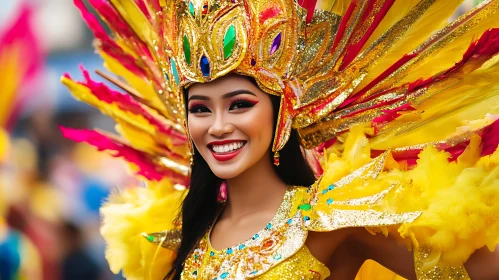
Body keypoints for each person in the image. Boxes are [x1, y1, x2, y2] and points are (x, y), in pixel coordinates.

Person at [62, 0, 499, 279]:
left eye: (238, 105)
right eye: (200, 109)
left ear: (280, 111)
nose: (217, 126)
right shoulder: (180, 238)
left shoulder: (333, 218)